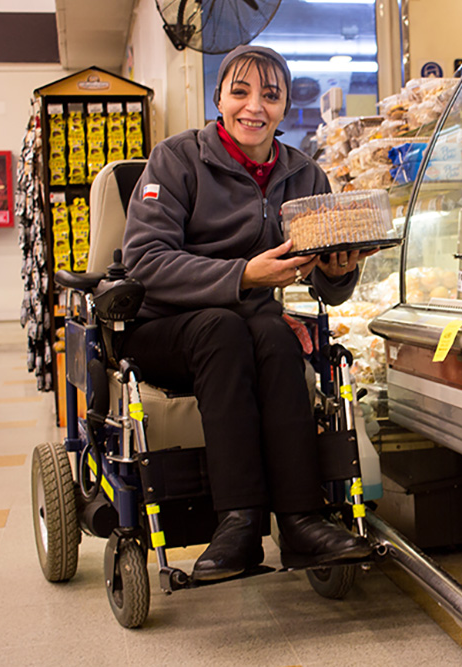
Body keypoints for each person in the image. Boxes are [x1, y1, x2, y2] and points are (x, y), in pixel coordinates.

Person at [121, 45, 373, 582]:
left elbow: (333, 291)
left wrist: (338, 269)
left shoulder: (306, 176)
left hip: (252, 329)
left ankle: (301, 520)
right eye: (240, 92)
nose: (254, 106)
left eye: (271, 95)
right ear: (219, 98)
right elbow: (144, 262)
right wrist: (243, 276)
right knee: (225, 327)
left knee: (276, 336)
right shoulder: (176, 158)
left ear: (283, 108)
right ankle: (239, 521)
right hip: (165, 327)